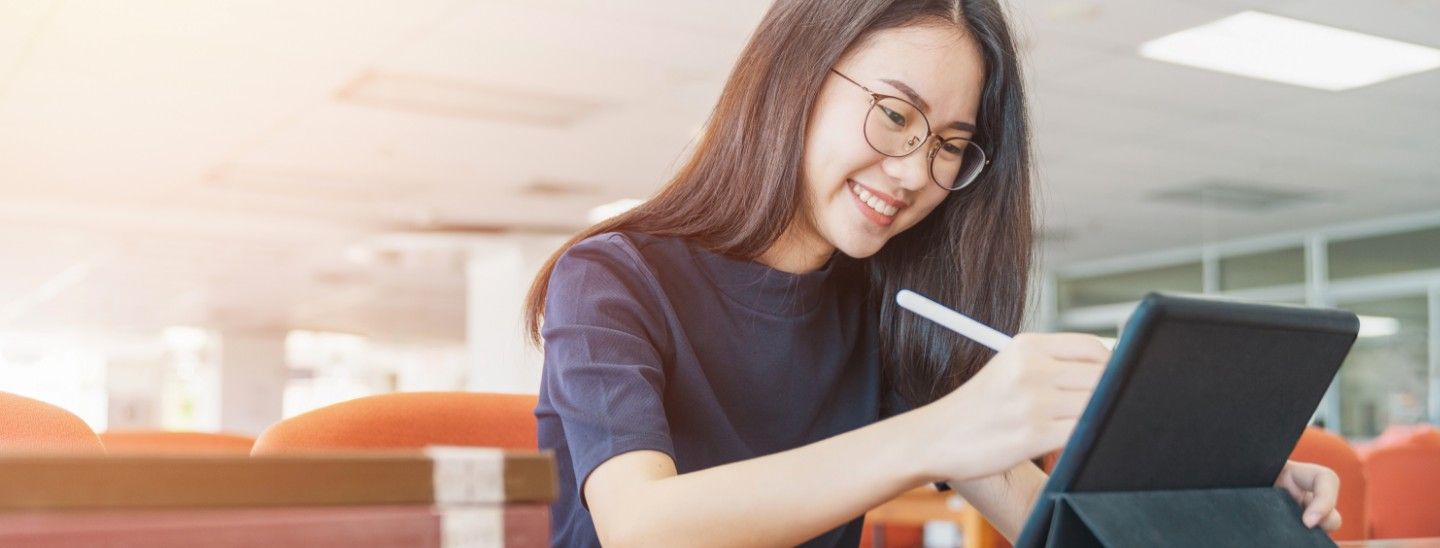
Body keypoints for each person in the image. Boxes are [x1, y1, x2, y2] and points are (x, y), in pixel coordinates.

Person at [525, 0, 1343, 546]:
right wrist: (943, 431)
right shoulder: (610, 277)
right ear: (792, 78)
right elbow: (643, 525)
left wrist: (1215, 486)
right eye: (895, 115)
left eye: (951, 144)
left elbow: (1047, 525)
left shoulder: (891, 312)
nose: (917, 172)